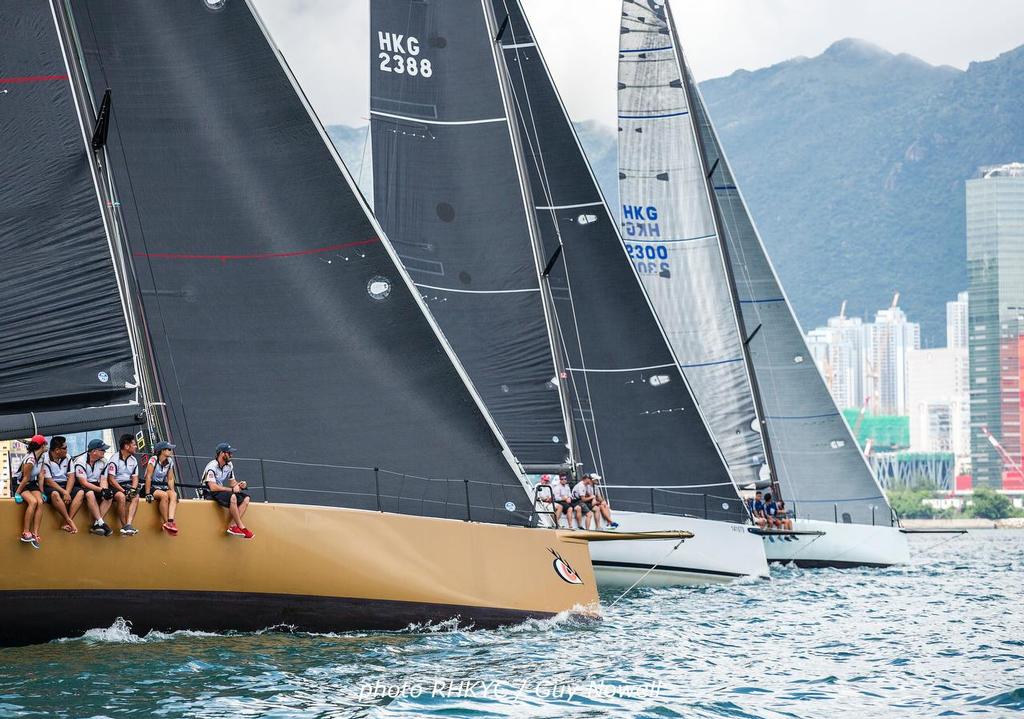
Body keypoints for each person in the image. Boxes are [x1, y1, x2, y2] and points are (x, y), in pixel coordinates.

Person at [202, 443, 253, 539]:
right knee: (233, 496)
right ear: (222, 453)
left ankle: (233, 526)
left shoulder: (229, 465)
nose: (231, 455)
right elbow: (212, 487)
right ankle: (241, 527)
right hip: (208, 492)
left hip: (219, 491)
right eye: (229, 453)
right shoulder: (211, 467)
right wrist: (232, 489)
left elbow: (233, 483)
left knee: (246, 498)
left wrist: (240, 485)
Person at [70, 438, 114, 536]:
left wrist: (105, 490)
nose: (104, 451)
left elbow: (103, 479)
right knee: (90, 493)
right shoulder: (80, 461)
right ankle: (101, 523)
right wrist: (101, 490)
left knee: (109, 496)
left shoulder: (103, 461)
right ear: (94, 451)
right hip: (82, 485)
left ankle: (96, 524)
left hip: (96, 484)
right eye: (102, 450)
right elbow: (83, 483)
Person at [14, 435, 47, 548]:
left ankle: (35, 533)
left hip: (32, 483)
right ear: (42, 446)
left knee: (40, 502)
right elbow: (25, 478)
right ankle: (26, 532)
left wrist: (42, 492)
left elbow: (41, 475)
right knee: (33, 502)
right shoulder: (30, 459)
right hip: (20, 483)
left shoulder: (42, 457)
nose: (47, 446)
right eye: (45, 444)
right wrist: (17, 493)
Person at [41, 436, 77, 534]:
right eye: (65, 448)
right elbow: (48, 481)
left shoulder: (68, 457)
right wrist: (64, 492)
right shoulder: (45, 459)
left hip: (65, 485)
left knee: (81, 493)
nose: (67, 450)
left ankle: (65, 523)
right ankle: (68, 520)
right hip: (51, 486)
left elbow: (71, 477)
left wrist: (67, 492)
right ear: (57, 450)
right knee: (55, 494)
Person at [106, 434, 140, 535]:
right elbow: (111, 480)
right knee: (121, 497)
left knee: (136, 496)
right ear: (126, 446)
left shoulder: (133, 460)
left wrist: (133, 490)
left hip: (128, 485)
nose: (136, 447)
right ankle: (124, 525)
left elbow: (135, 478)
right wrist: (123, 491)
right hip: (116, 485)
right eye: (133, 444)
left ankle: (129, 524)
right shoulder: (114, 459)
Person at [144, 441, 178, 534]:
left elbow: (170, 479)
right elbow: (148, 477)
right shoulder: (153, 460)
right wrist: (147, 493)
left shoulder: (170, 461)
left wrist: (172, 491)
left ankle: (171, 521)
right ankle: (166, 522)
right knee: (164, 496)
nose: (171, 451)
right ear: (162, 450)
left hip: (161, 486)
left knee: (174, 495)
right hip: (151, 487)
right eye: (169, 449)